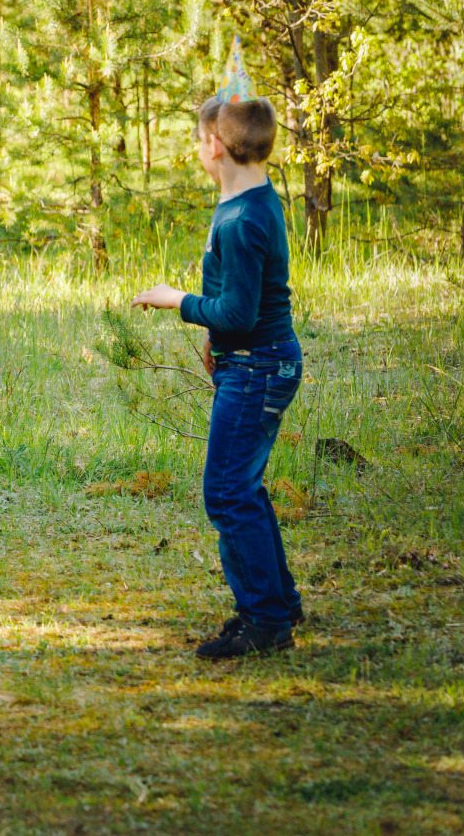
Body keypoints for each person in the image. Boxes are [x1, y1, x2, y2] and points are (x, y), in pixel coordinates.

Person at [131, 39, 303, 659]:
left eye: (199, 137)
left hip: (258, 369)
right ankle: (277, 604)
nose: (197, 147)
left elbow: (238, 309)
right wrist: (213, 337)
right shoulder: (245, 199)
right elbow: (234, 298)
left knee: (227, 492)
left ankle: (265, 624)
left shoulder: (244, 218)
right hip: (249, 362)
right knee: (243, 487)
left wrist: (175, 300)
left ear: (214, 147)